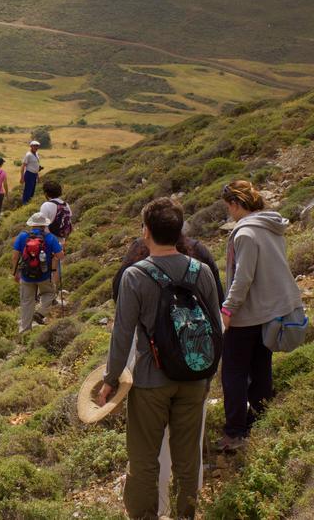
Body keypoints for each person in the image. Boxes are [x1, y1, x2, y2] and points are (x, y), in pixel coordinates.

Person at [98, 198, 220, 520]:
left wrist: (110, 381)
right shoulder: (202, 271)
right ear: (180, 231)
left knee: (144, 460)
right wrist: (208, 374)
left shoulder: (135, 276)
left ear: (146, 231)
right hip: (194, 378)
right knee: (187, 459)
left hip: (151, 381)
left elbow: (122, 335)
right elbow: (215, 327)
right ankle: (185, 515)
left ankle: (144, 516)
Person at [218, 180, 303, 451]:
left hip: (246, 315)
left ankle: (235, 434)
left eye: (228, 207)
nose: (229, 213)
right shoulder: (273, 227)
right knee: (261, 369)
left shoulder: (244, 234)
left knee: (233, 373)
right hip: (270, 313)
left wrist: (228, 309)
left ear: (236, 204)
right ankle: (260, 424)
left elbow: (242, 278)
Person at [12, 212, 63, 333]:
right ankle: (40, 313)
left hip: (26, 275)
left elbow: (15, 256)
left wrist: (15, 272)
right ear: (44, 225)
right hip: (44, 275)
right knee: (49, 293)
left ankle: (25, 330)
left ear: (32, 225)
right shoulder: (50, 238)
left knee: (26, 301)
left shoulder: (22, 236)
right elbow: (60, 256)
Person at [20, 140, 42, 205]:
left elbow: (36, 166)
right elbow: (23, 166)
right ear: (31, 146)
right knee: (28, 191)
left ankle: (29, 204)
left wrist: (38, 177)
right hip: (29, 174)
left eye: (37, 146)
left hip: (34, 174)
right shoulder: (28, 155)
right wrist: (22, 177)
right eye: (34, 146)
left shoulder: (37, 154)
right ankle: (24, 204)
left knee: (32, 191)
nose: (36, 147)